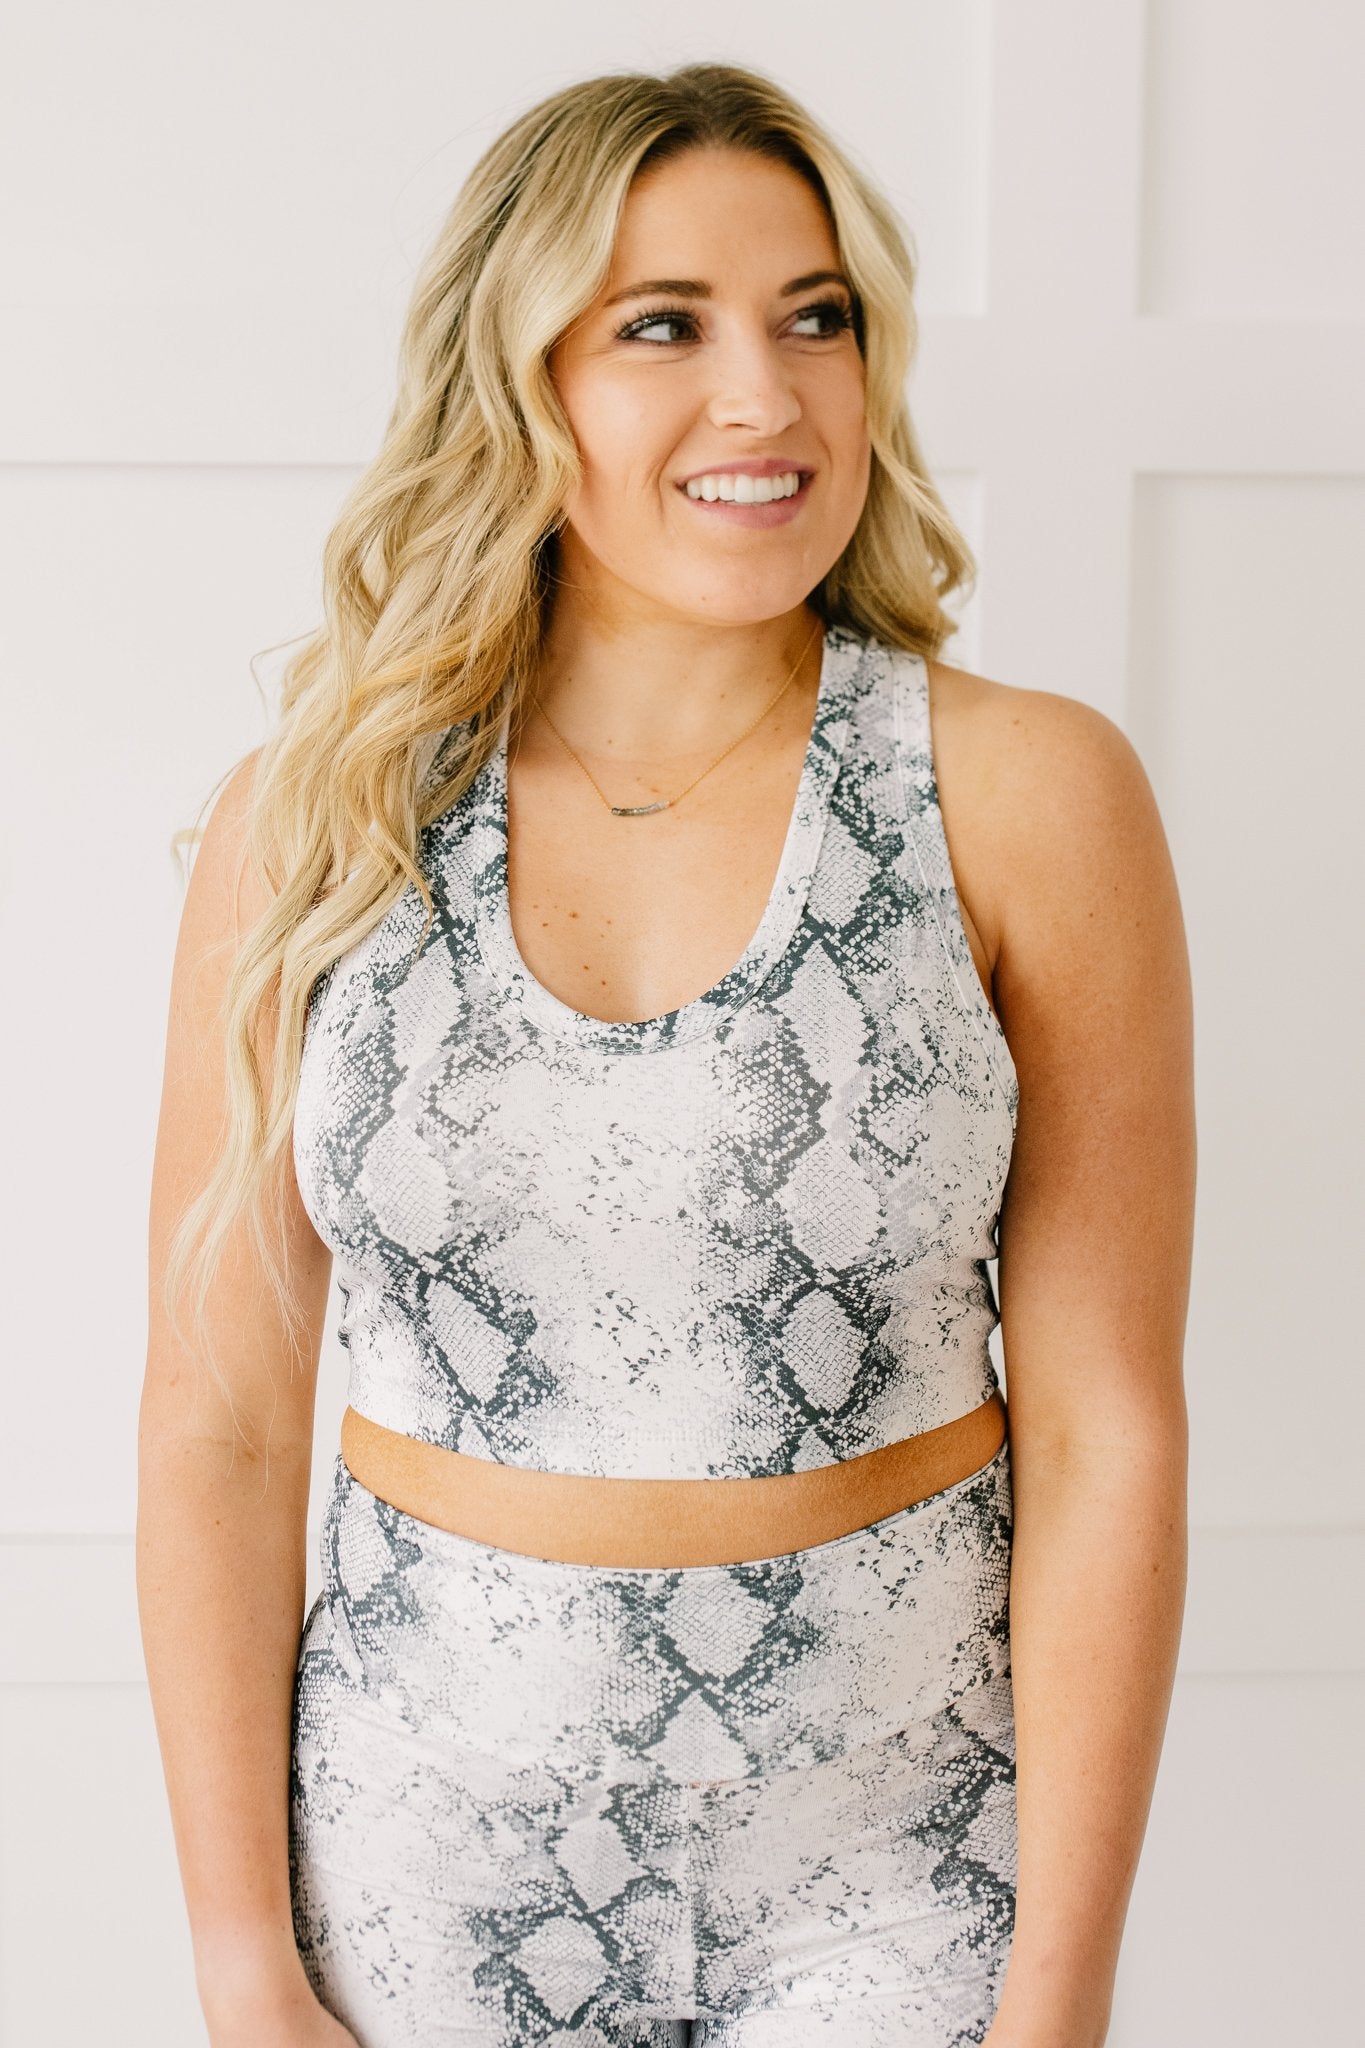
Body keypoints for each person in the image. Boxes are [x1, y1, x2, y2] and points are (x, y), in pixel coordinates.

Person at [136, 59, 1194, 2048]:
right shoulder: (321, 820)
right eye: (661, 327)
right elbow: (221, 1421)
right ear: (515, 372)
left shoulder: (1025, 793)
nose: (762, 397)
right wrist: (236, 1954)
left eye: (816, 318)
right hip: (414, 1857)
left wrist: (1058, 1988)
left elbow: (1103, 1425)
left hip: (893, 1870)